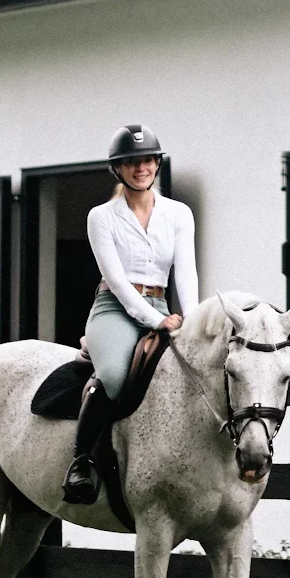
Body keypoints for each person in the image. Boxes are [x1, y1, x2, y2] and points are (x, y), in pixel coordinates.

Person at [62, 125, 198, 509]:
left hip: (161, 306)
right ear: (118, 169)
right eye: (132, 162)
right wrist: (156, 322)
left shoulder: (179, 214)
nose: (142, 167)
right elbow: (119, 283)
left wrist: (193, 320)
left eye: (148, 159)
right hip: (114, 309)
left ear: (157, 163)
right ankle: (81, 461)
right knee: (116, 376)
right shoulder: (100, 217)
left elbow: (185, 274)